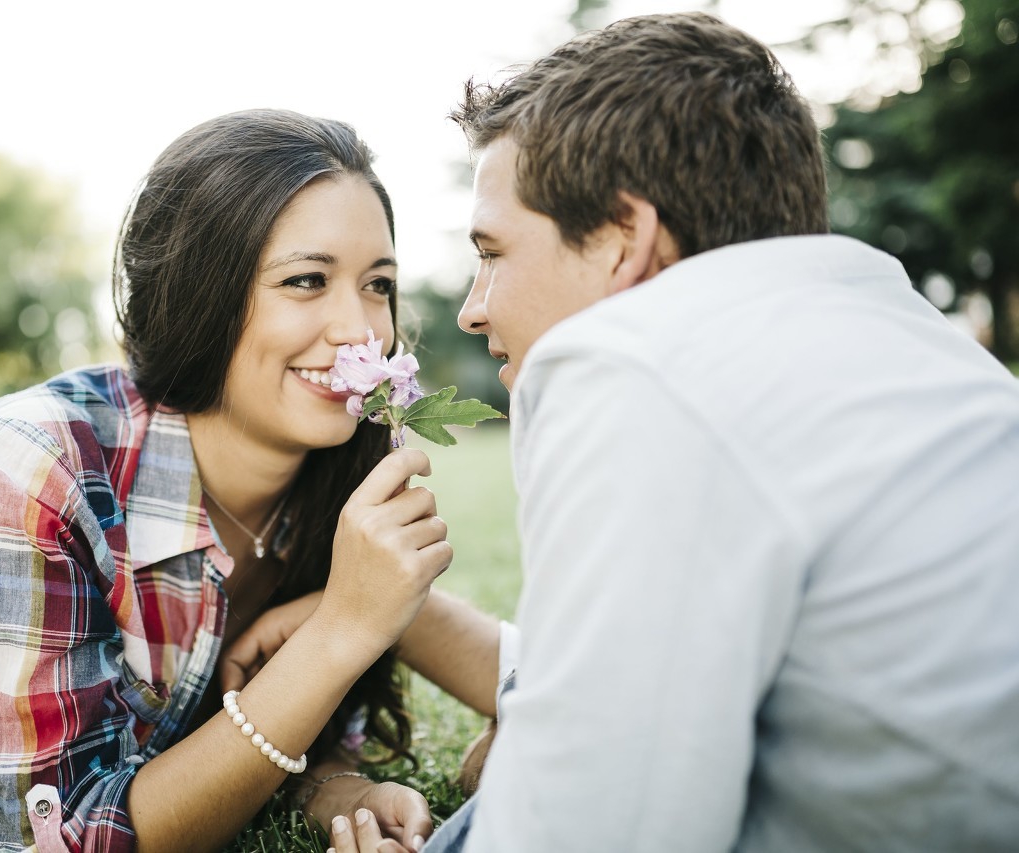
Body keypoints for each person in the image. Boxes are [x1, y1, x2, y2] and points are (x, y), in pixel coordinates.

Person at [325, 12, 1019, 853]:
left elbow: (596, 830)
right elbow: (644, 673)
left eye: (494, 252)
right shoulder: (916, 345)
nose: (474, 309)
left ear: (626, 239)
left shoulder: (639, 369)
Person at [0, 109, 457, 852]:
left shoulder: (340, 461)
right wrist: (341, 629)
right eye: (306, 280)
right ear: (198, 294)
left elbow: (246, 726)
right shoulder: (34, 456)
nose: (361, 330)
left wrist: (338, 789)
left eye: (378, 284)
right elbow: (51, 835)